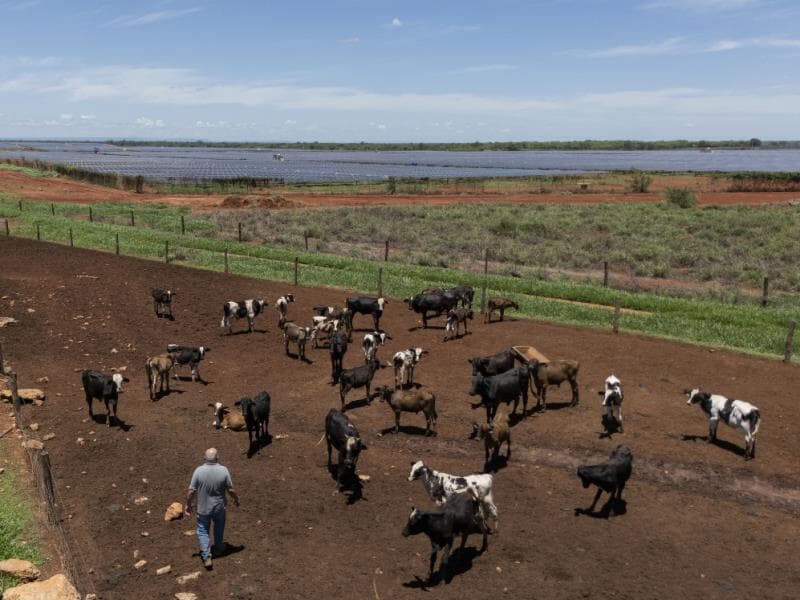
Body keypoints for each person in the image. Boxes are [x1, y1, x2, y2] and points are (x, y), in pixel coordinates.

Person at [185, 448, 240, 569]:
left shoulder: (198, 471)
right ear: (217, 458)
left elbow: (191, 492)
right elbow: (230, 489)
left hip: (203, 508)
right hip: (219, 507)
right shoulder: (224, 470)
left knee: (203, 530)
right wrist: (236, 498)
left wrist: (188, 505)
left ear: (204, 458)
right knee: (219, 526)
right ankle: (219, 547)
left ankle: (207, 556)